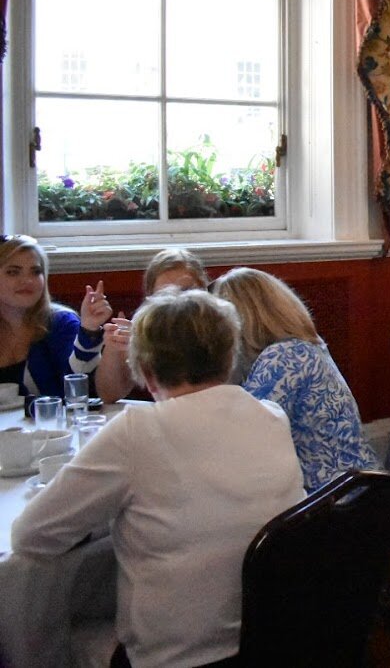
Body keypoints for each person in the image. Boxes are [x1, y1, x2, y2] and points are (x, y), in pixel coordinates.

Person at [12, 289, 305, 668]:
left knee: (59, 626)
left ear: (147, 375)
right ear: (230, 357)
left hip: (179, 657)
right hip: (275, 639)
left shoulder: (137, 430)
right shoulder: (270, 416)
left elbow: (31, 536)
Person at [211, 267, 380, 492]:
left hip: (335, 501)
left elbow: (244, 439)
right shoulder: (305, 346)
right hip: (355, 487)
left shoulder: (283, 357)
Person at [92, 248, 212, 403]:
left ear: (204, 290)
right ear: (150, 298)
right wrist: (115, 349)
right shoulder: (141, 326)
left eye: (186, 291)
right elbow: (109, 395)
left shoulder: (216, 327)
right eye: (165, 294)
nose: (176, 300)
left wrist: (150, 348)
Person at [0, 235, 106, 398]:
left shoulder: (61, 322)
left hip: (49, 422)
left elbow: (76, 384)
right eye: (13, 272)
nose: (27, 280)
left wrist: (89, 330)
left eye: (36, 272)